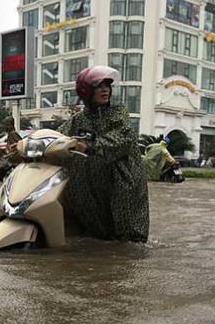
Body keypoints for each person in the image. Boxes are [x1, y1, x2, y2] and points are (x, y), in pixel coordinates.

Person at [58, 66, 149, 243]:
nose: (105, 89)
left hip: (121, 181)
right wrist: (30, 141)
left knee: (127, 241)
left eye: (107, 85)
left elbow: (123, 137)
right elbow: (57, 136)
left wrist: (90, 146)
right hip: (90, 186)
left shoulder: (118, 113)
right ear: (87, 90)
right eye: (99, 86)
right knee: (97, 238)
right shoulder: (78, 120)